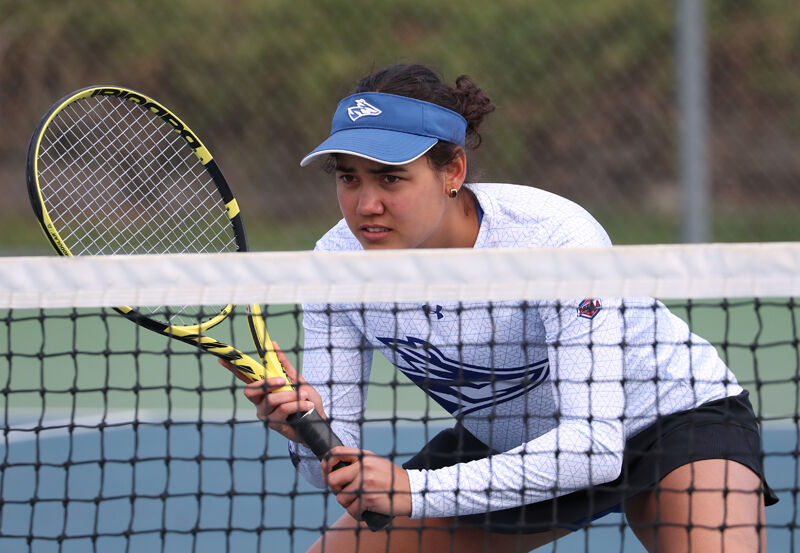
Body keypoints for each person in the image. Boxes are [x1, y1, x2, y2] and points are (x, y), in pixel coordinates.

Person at [235, 64, 777, 553]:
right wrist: (307, 429)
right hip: (515, 444)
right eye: (348, 177)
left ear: (453, 172)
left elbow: (594, 447)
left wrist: (412, 488)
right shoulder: (335, 265)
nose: (366, 205)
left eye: (391, 178)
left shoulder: (554, 239)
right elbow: (333, 468)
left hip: (667, 424)